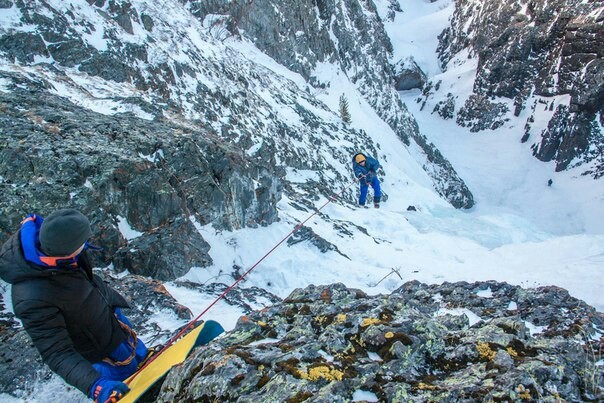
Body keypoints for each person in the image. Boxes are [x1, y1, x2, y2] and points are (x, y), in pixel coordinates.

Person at [0, 209, 149, 402]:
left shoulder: (58, 247)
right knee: (131, 387)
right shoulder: (32, 299)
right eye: (81, 242)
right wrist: (95, 386)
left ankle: (142, 356)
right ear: (66, 251)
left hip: (110, 322)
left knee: (137, 356)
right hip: (98, 355)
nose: (85, 245)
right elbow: (57, 353)